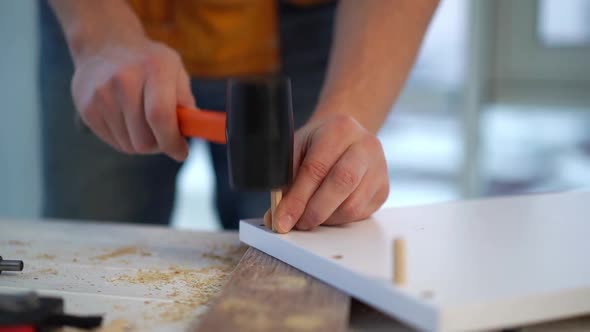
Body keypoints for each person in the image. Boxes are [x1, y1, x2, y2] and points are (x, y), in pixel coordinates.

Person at [41, 0, 438, 232]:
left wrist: (350, 109)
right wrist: (100, 36)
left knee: (306, 243)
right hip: (112, 12)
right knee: (93, 252)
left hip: (302, 18)